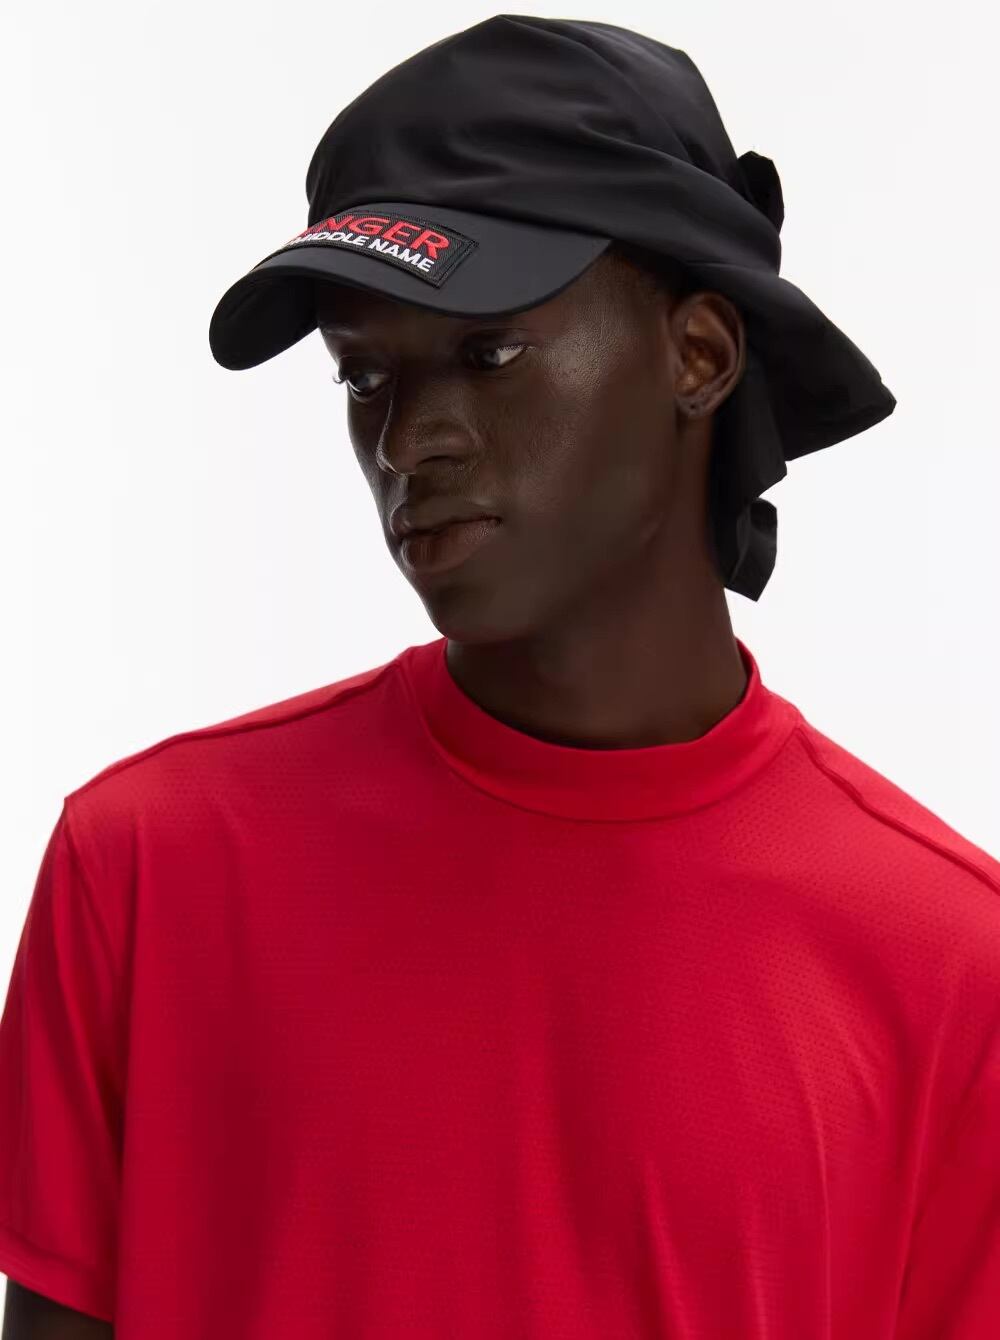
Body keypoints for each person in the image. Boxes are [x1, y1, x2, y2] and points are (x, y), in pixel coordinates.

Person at [2, 14, 998, 1339]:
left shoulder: (950, 968)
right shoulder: (146, 870)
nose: (410, 440)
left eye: (490, 353)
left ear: (699, 355)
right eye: (365, 374)